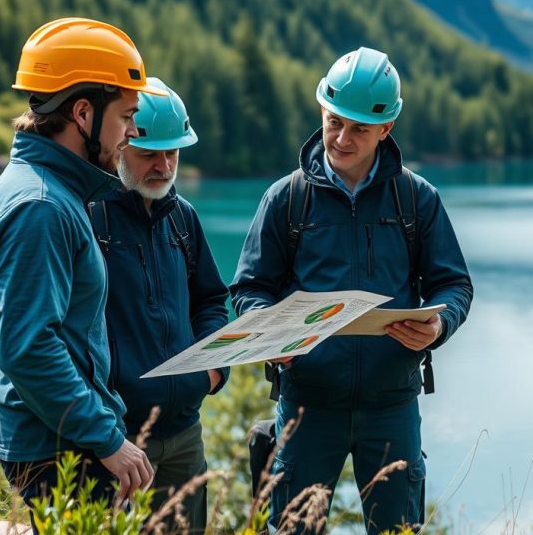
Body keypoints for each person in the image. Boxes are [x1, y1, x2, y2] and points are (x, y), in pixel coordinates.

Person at [230, 47, 473, 533]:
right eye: (334, 121)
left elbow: (454, 283)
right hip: (307, 405)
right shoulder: (286, 198)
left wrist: (439, 325)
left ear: (386, 129)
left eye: (359, 128)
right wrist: (274, 338)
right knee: (295, 528)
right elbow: (250, 289)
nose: (341, 138)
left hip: (392, 406)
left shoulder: (416, 199)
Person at [0, 17, 162, 518]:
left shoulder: (44, 190)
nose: (133, 132)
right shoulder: (42, 206)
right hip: (60, 452)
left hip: (60, 441)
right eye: (126, 117)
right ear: (82, 113)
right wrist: (107, 440)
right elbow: (28, 347)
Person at [90, 77, 229, 532]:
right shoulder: (89, 216)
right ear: (122, 143)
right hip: (116, 440)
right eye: (150, 154)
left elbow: (210, 300)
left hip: (184, 433)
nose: (164, 165)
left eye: (172, 153)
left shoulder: (182, 218)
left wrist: (212, 370)